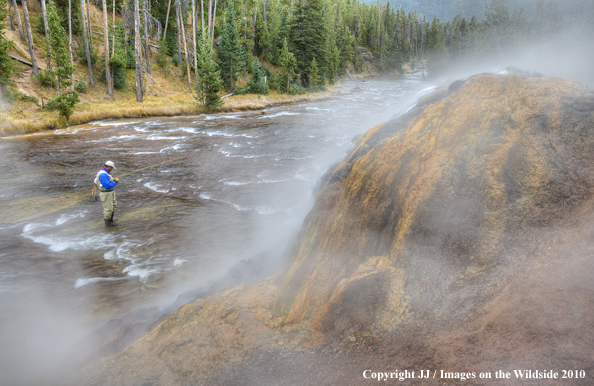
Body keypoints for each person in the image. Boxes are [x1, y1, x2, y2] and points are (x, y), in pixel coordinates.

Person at [95, 161, 120, 227]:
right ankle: (108, 225)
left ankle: (111, 220)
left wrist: (114, 181)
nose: (112, 170)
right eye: (112, 168)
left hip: (110, 192)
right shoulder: (103, 174)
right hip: (106, 194)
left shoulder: (105, 173)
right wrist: (116, 182)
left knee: (114, 206)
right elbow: (107, 186)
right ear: (108, 167)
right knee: (108, 209)